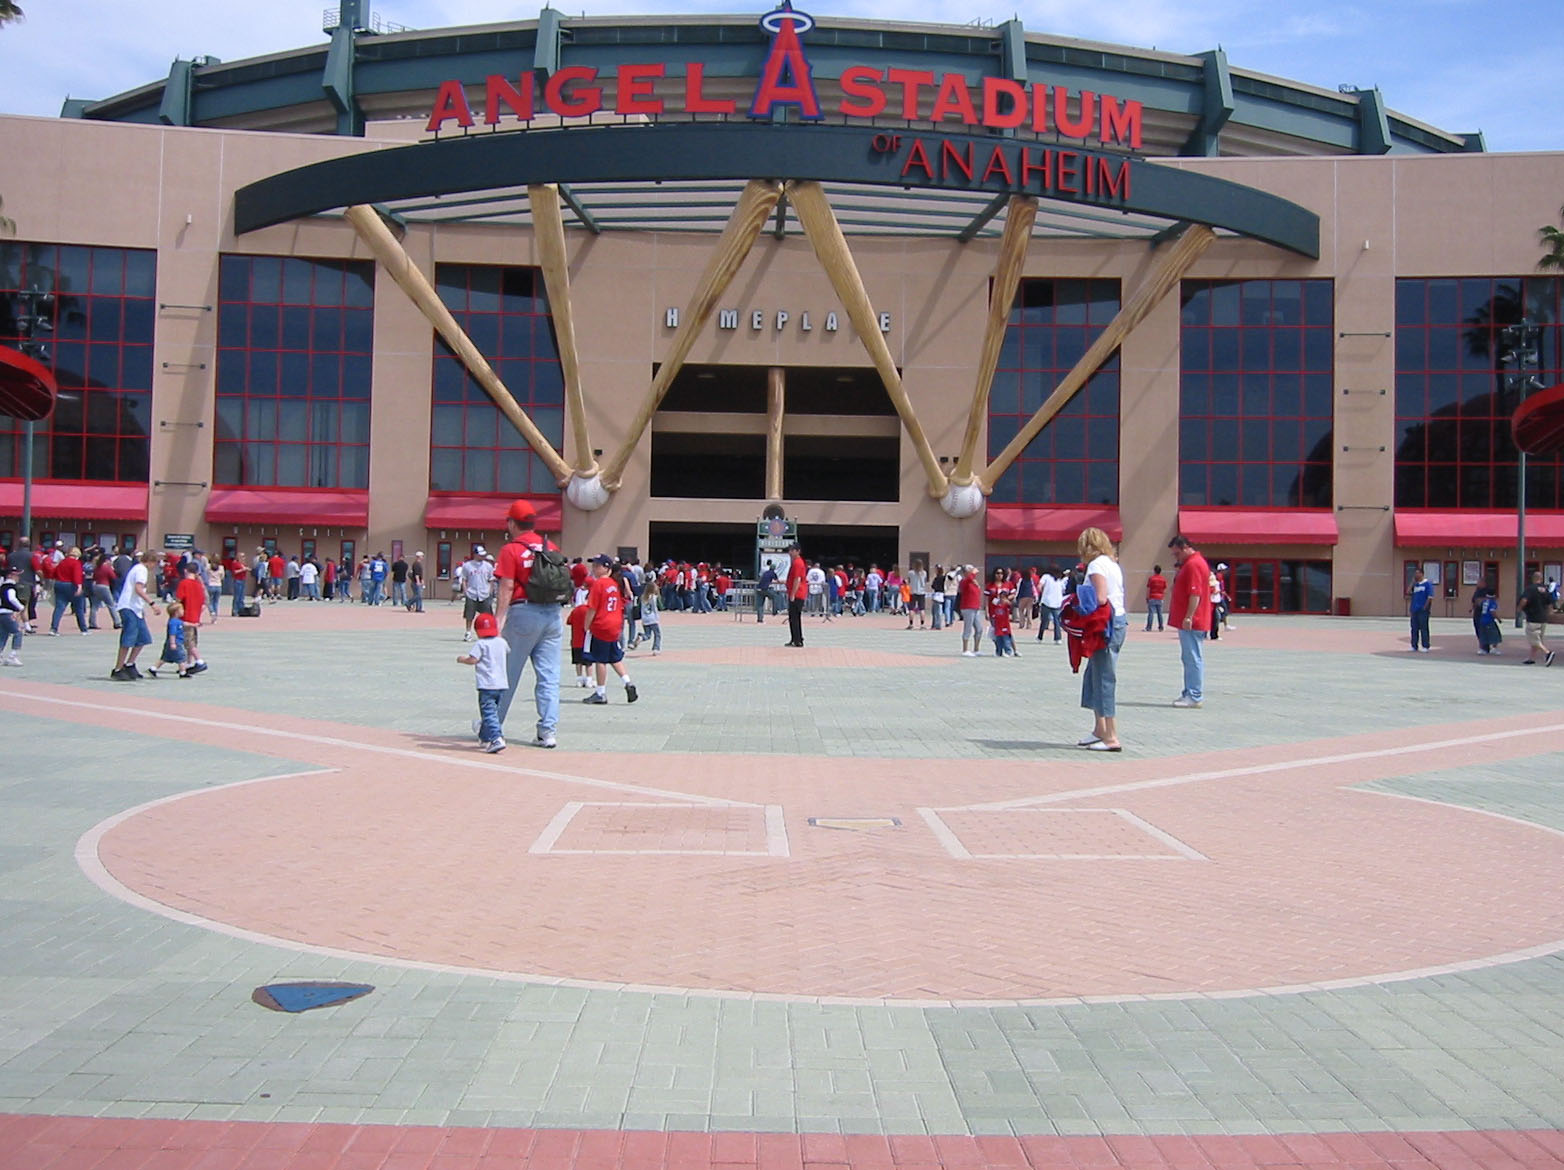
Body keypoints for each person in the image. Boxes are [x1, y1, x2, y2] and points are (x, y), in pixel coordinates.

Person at [494, 499, 564, 749]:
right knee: (549, 676)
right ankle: (548, 730)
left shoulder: (511, 550)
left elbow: (507, 586)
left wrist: (498, 621)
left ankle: (492, 727)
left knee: (507, 673)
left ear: (512, 523)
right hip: (553, 615)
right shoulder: (550, 546)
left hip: (524, 613)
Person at [1077, 527, 1127, 752]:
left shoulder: (1096, 566)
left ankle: (1111, 736)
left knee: (1104, 677)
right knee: (1094, 674)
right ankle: (1099, 728)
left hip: (1105, 624)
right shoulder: (1112, 564)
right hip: (1118, 621)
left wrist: (1078, 605)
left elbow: (1100, 597)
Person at [580, 555, 638, 704]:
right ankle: (628, 682)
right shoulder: (613, 584)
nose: (594, 569)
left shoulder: (599, 584)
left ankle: (600, 692)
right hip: (614, 624)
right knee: (614, 657)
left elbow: (592, 608)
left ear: (606, 568)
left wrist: (587, 625)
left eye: (597, 566)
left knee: (600, 659)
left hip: (601, 625)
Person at [1168, 535, 1212, 707]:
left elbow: (1195, 594)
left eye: (1177, 553)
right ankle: (1189, 692)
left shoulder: (1194, 564)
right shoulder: (1191, 564)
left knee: (1193, 657)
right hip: (1190, 619)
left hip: (1193, 620)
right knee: (1189, 657)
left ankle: (1194, 695)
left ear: (1185, 547)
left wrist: (1189, 616)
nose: (1176, 557)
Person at [457, 611, 510, 753]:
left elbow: (473, 660)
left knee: (488, 712)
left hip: (486, 685)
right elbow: (506, 651)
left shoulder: (480, 644)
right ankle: (485, 736)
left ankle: (496, 738)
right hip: (502, 684)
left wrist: (462, 659)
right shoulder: (501, 642)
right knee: (493, 711)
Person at [112, 551, 162, 681]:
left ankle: (130, 663)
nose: (154, 567)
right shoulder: (141, 570)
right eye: (155, 564)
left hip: (136, 609)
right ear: (150, 562)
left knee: (143, 638)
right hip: (129, 607)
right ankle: (118, 668)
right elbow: (138, 589)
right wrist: (152, 603)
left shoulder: (138, 569)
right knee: (128, 639)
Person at [173, 561, 210, 675]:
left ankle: (199, 661)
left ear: (185, 571)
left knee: (188, 642)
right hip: (195, 617)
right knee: (192, 640)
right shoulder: (199, 585)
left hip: (185, 616)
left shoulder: (184, 583)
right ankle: (188, 663)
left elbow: (179, 599)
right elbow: (204, 602)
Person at [1517, 570, 1555, 666]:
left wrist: (1519, 609)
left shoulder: (1530, 589)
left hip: (1533, 618)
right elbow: (1550, 603)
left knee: (1533, 639)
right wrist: (1550, 613)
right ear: (1541, 579)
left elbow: (1524, 600)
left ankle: (1547, 653)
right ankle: (1531, 658)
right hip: (1543, 618)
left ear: (1533, 579)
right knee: (1538, 639)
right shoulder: (1546, 589)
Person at [49, 546, 89, 635]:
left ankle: (53, 628)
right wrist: (79, 586)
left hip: (59, 584)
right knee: (79, 607)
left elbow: (54, 573)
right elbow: (76, 575)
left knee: (59, 607)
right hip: (71, 585)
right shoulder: (76, 563)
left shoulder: (62, 562)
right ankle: (83, 629)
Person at [146, 601, 190, 679]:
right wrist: (173, 643)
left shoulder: (177, 621)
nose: (183, 611)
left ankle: (153, 669)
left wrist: (193, 625)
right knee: (181, 657)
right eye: (182, 610)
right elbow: (172, 633)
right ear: (176, 612)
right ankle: (183, 672)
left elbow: (184, 624)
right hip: (176, 642)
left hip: (173, 643)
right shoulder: (173, 622)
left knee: (165, 658)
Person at [460, 546, 495, 640]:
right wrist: (465, 591)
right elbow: (464, 579)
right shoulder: (467, 565)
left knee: (487, 615)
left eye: (483, 555)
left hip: (484, 593)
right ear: (475, 554)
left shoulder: (488, 566)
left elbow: (491, 579)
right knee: (469, 614)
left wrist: (490, 591)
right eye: (480, 555)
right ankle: (468, 632)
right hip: (472, 593)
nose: (482, 556)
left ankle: (488, 632)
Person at [6, 538, 37, 634]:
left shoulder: (11, 556)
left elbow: (6, 567)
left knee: (19, 605)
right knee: (22, 606)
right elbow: (37, 568)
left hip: (12, 581)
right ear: (29, 544)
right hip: (26, 582)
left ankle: (27, 626)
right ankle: (12, 625)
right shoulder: (32, 556)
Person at [0, 562, 25, 666]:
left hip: (1, 612)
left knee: (3, 634)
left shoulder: (2, 587)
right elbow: (11, 599)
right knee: (18, 632)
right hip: (7, 613)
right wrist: (20, 607)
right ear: (10, 575)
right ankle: (13, 656)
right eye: (16, 575)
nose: (18, 577)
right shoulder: (10, 587)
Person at [956, 564, 984, 656]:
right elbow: (967, 580)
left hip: (976, 607)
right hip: (967, 607)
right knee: (968, 628)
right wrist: (973, 573)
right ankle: (965, 649)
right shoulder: (964, 581)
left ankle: (976, 649)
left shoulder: (973, 581)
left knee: (979, 629)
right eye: (970, 570)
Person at [89, 552, 120, 630]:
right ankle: (117, 622)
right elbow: (113, 576)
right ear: (106, 560)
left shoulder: (97, 567)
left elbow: (94, 576)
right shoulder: (107, 567)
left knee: (95, 606)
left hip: (96, 585)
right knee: (111, 605)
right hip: (104, 586)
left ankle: (92, 623)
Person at [989, 571, 1016, 657]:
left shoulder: (1008, 585)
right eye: (997, 573)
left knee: (1006, 637)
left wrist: (1007, 600)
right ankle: (998, 651)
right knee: (997, 637)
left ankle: (1009, 651)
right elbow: (988, 600)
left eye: (1001, 573)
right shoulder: (995, 601)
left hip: (1005, 624)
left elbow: (1012, 598)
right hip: (997, 622)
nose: (999, 575)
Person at [785, 543, 807, 647]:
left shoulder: (798, 563)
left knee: (794, 617)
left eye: (792, 550)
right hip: (795, 593)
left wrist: (793, 594)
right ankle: (795, 638)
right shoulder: (795, 562)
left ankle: (797, 640)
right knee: (793, 617)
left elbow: (797, 579)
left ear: (798, 551)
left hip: (797, 594)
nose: (790, 552)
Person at [1471, 581, 1502, 655]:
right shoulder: (1492, 603)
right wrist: (1498, 619)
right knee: (1494, 634)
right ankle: (1494, 648)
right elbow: (1492, 612)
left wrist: (1472, 608)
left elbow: (1477, 603)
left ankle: (1482, 649)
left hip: (1482, 620)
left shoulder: (1484, 601)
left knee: (1483, 634)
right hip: (1489, 621)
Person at [1408, 567, 1434, 652]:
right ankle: (1414, 645)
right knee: (1414, 628)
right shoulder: (1415, 585)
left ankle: (1425, 645)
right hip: (1414, 609)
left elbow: (1430, 597)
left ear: (1422, 574)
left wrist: (1425, 607)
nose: (1416, 575)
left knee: (1423, 628)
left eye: (1417, 573)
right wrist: (1412, 582)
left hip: (1422, 610)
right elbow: (1408, 592)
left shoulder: (1427, 584)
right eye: (1415, 573)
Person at [1037, 566, 1065, 643]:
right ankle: (1057, 638)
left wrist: (1042, 593)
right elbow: (1063, 590)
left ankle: (1040, 637)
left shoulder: (1046, 576)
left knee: (1044, 621)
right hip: (1057, 602)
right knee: (1057, 622)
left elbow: (1039, 586)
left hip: (1046, 601)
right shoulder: (1059, 580)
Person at [639, 575, 662, 654]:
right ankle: (656, 648)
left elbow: (641, 608)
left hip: (645, 618)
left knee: (648, 635)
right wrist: (657, 617)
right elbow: (655, 608)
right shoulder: (653, 597)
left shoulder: (643, 597)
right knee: (657, 634)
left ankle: (641, 637)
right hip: (652, 618)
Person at [1145, 564, 1167, 632]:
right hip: (1160, 597)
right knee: (1159, 613)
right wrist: (1163, 597)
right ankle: (1161, 627)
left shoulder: (1151, 578)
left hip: (1152, 597)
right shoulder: (1163, 579)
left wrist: (1147, 597)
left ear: (1154, 571)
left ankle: (1149, 627)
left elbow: (1148, 588)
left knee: (1151, 613)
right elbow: (1164, 589)